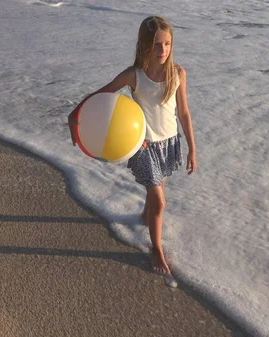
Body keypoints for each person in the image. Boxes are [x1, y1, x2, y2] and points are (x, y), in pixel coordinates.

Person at [68, 16, 197, 277]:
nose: (163, 50)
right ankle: (156, 248)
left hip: (169, 143)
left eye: (167, 44)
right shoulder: (134, 76)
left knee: (157, 191)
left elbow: (183, 113)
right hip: (144, 145)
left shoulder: (178, 74)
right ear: (145, 46)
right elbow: (102, 94)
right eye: (157, 45)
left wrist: (192, 148)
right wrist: (75, 114)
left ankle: (142, 217)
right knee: (160, 202)